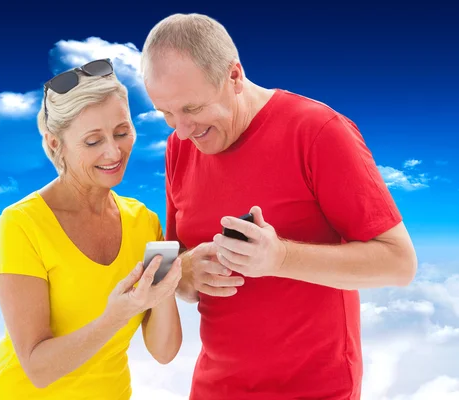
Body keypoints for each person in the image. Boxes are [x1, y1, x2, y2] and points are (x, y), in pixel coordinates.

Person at [140, 13, 418, 400]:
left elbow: (399, 263)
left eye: (192, 109)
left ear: (234, 76)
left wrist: (281, 258)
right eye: (166, 114)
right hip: (215, 387)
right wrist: (185, 270)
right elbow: (176, 261)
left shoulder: (319, 131)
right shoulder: (179, 147)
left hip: (316, 389)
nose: (182, 130)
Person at [0, 59, 183, 400]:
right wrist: (117, 315)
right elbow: (38, 369)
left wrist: (167, 285)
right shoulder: (22, 223)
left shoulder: (144, 222)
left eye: (121, 132)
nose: (113, 151)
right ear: (56, 144)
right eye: (92, 141)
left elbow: (164, 351)